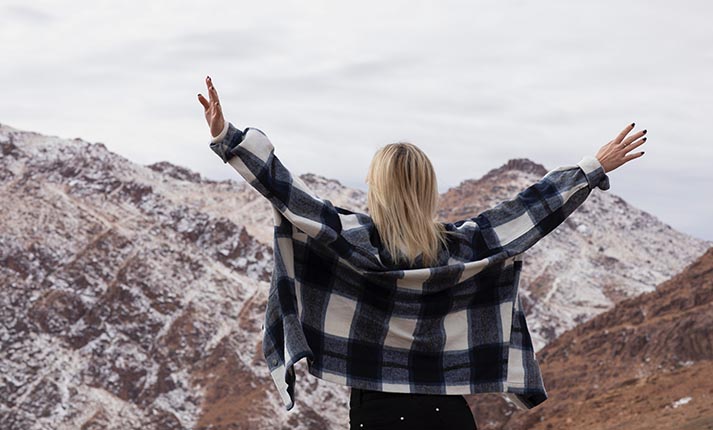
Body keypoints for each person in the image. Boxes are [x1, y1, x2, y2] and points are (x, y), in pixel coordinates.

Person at [198, 75, 647, 429]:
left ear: (378, 188)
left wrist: (228, 139)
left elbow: (288, 195)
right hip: (448, 417)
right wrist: (591, 168)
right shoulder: (460, 249)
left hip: (376, 415)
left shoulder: (353, 241)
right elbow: (526, 213)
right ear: (426, 188)